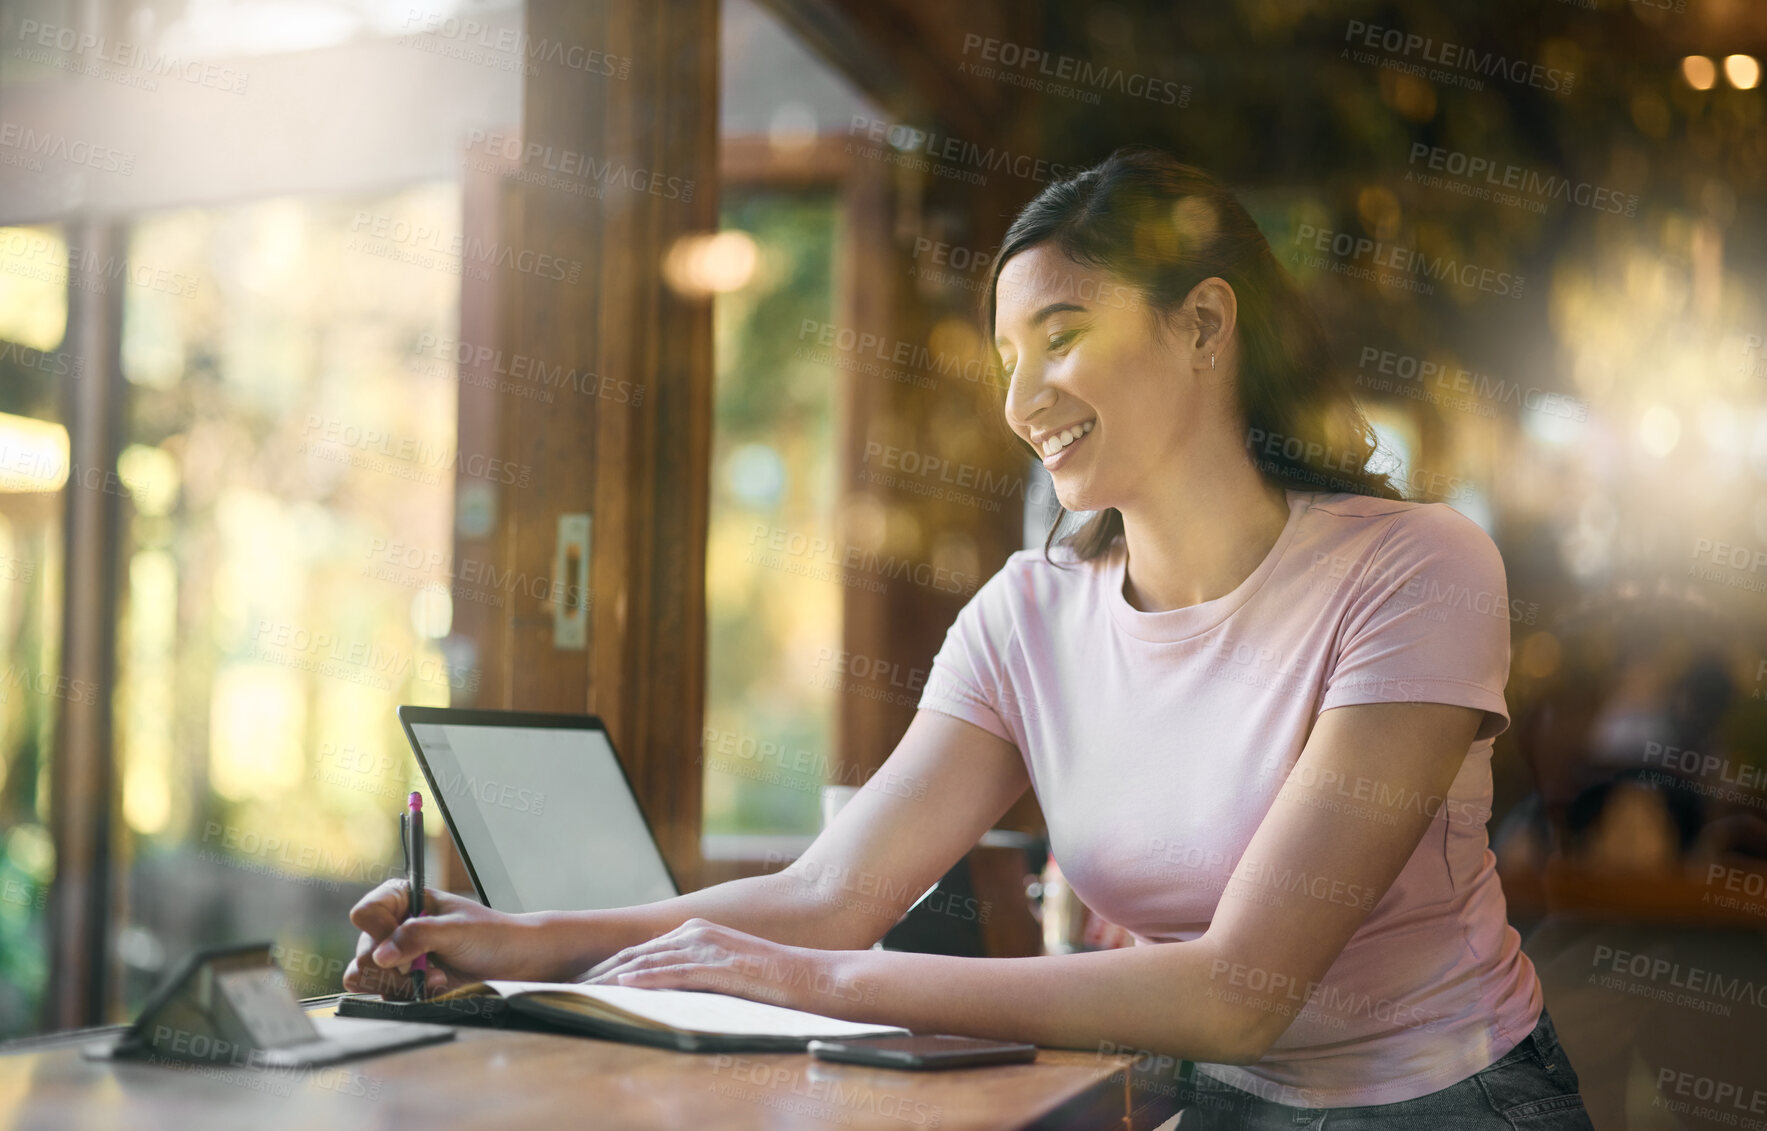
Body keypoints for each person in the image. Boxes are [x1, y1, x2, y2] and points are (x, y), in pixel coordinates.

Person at [345, 146, 1592, 1128]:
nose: (1021, 401)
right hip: (1205, 1109)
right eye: (1005, 358)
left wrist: (816, 984)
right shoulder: (1026, 613)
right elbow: (831, 894)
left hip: (1451, 1107)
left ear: (1206, 326)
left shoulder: (1414, 566)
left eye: (1061, 335)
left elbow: (1239, 991)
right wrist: (511, 944)